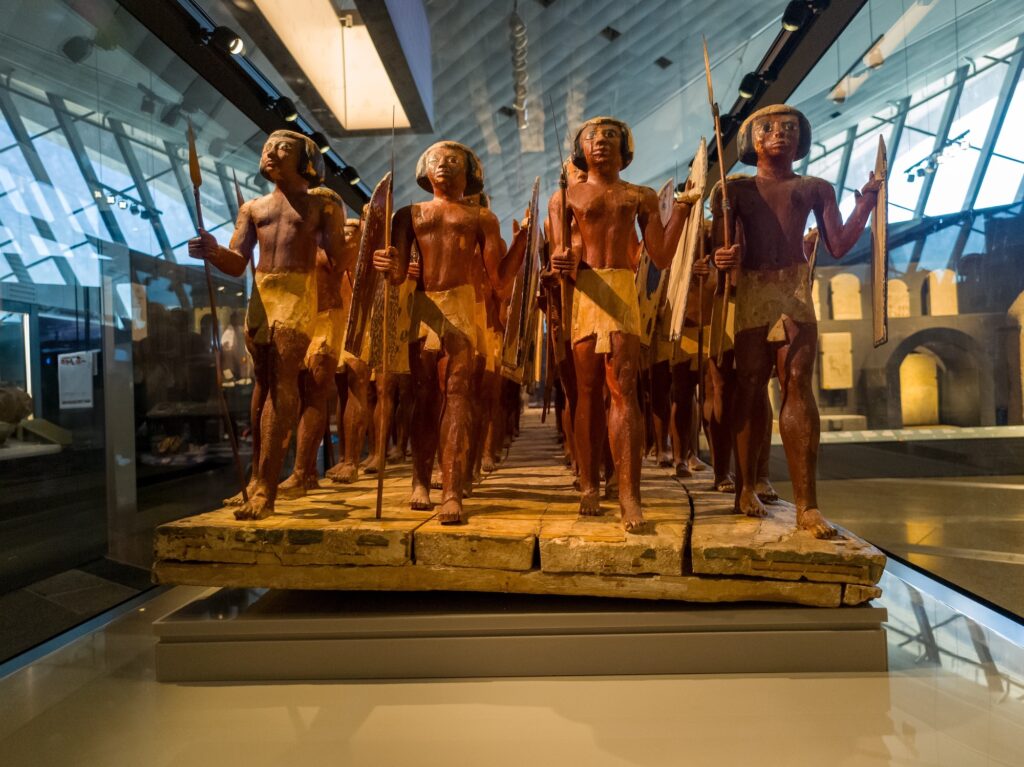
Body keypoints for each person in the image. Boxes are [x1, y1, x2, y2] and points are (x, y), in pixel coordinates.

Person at [712, 104, 879, 538]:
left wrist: (865, 205)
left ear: (801, 138)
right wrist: (722, 258)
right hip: (753, 291)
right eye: (768, 127)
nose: (779, 133)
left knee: (797, 384)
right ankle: (744, 487)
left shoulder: (815, 188)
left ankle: (808, 505)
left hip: (794, 290)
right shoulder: (733, 191)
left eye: (789, 127)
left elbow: (837, 243)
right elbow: (718, 251)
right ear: (752, 140)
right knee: (749, 383)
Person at [189, 130, 347, 520]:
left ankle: (267, 490)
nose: (271, 153)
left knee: (282, 380)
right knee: (263, 383)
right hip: (262, 294)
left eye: (283, 148)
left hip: (296, 293)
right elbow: (237, 262)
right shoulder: (253, 209)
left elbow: (339, 260)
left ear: (305, 160)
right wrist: (212, 251)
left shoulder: (323, 204)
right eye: (268, 147)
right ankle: (257, 480)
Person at [549, 116, 696, 532]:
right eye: (592, 136)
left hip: (621, 290)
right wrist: (563, 261)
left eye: (610, 135)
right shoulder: (564, 197)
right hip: (587, 292)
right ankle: (589, 484)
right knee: (586, 391)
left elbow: (660, 255)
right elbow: (561, 252)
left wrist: (683, 212)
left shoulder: (639, 195)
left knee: (624, 390)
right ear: (581, 148)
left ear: (625, 147)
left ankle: (629, 494)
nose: (601, 141)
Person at [373, 141, 529, 524]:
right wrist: (388, 264)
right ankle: (420, 481)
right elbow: (398, 275)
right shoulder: (408, 215)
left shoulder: (482, 218)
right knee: (423, 396)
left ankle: (452, 491)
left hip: (460, 306)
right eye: (435, 159)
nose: (443, 164)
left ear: (469, 171)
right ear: (424, 170)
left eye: (453, 159)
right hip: (423, 307)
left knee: (457, 396)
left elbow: (499, 282)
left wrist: (523, 241)